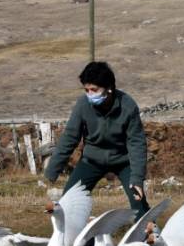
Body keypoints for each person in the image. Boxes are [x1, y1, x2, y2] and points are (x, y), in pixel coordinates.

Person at [44, 61, 150, 220]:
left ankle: (151, 234)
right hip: (91, 160)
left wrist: (137, 178)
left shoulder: (128, 106)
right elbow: (70, 137)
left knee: (138, 200)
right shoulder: (83, 105)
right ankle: (73, 235)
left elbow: (136, 143)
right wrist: (53, 169)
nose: (90, 94)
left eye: (94, 90)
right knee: (67, 203)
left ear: (109, 88)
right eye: (86, 90)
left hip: (123, 161)